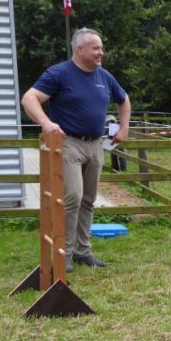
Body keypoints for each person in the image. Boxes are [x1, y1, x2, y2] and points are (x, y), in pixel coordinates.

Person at [21, 28, 131, 273]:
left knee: (88, 200)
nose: (101, 52)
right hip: (68, 143)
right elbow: (29, 98)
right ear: (80, 50)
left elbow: (124, 100)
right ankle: (65, 253)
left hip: (95, 144)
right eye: (96, 48)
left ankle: (83, 251)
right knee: (72, 197)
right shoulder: (60, 74)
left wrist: (124, 128)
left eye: (101, 48)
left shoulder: (105, 77)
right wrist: (47, 124)